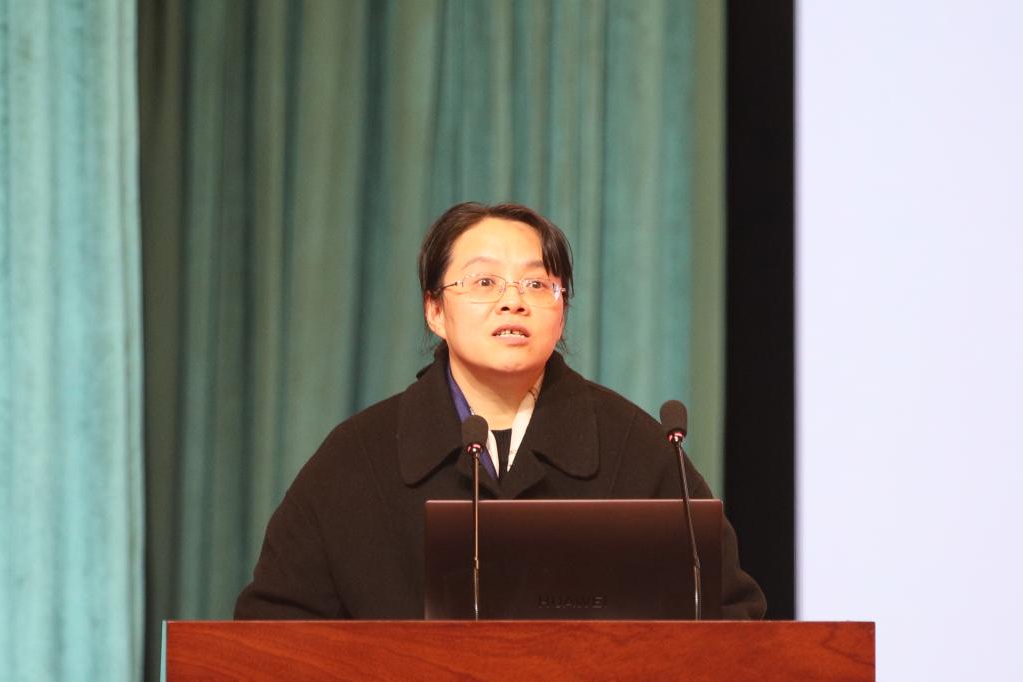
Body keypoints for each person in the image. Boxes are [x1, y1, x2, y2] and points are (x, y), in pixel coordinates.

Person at [235, 202, 766, 619]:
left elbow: (729, 615)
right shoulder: (359, 458)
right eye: (484, 282)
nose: (513, 301)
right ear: (435, 310)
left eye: (536, 283)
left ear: (561, 312)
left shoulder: (637, 448)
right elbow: (275, 629)